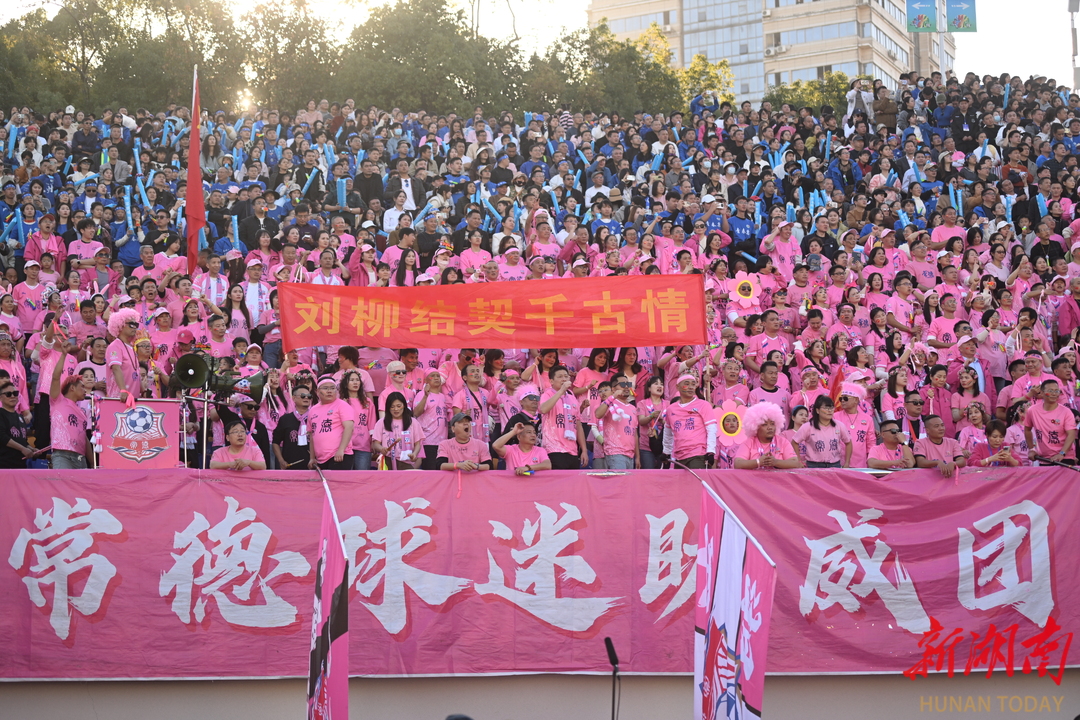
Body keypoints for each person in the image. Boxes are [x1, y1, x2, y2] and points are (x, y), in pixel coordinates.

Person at [47, 336, 91, 469]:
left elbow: (84, 439)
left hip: (81, 458)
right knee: (61, 483)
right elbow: (55, 377)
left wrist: (93, 463)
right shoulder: (58, 400)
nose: (85, 390)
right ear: (72, 388)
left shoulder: (82, 413)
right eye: (82, 387)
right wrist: (63, 355)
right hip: (62, 455)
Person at [1023, 378, 1077, 464]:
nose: (1054, 394)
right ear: (1042, 393)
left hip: (1064, 458)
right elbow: (1027, 429)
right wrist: (1032, 449)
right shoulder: (1032, 411)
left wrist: (1062, 453)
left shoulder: (1066, 412)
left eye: (1056, 391)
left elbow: (1071, 434)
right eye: (1050, 391)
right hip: (1044, 458)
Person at [307, 375, 356, 470]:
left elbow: (349, 428)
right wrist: (312, 458)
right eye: (325, 388)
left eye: (332, 388)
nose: (329, 391)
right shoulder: (313, 410)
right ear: (317, 391)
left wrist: (341, 450)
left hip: (340, 455)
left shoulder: (342, 405)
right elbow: (312, 435)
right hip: (320, 459)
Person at [733, 402, 801, 469]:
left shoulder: (783, 442)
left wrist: (776, 462)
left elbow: (795, 463)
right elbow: (738, 463)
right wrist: (758, 462)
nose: (770, 427)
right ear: (756, 427)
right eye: (764, 425)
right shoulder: (749, 443)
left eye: (772, 424)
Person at [792, 395, 852, 468]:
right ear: (817, 410)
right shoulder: (808, 426)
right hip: (813, 465)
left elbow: (848, 443)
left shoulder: (839, 425)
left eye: (831, 407)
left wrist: (847, 462)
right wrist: (799, 461)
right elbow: (794, 442)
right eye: (826, 408)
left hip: (834, 464)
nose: (830, 410)